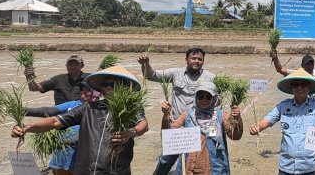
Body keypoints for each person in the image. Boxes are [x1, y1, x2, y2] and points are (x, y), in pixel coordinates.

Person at [11, 66, 149, 175]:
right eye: (105, 84)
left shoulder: (131, 108)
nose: (108, 87)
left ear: (125, 87)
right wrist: (28, 128)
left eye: (113, 84)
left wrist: (131, 132)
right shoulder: (89, 108)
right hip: (85, 170)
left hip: (116, 170)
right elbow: (54, 121)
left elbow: (143, 125)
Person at [249, 69, 315, 175]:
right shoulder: (283, 106)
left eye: (303, 84)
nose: (299, 87)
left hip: (311, 168)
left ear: (309, 87)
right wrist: (257, 127)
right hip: (286, 168)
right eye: (296, 85)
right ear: (291, 88)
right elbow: (266, 121)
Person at [139, 48, 216, 175]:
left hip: (200, 130)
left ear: (203, 61)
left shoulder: (211, 77)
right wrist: (145, 64)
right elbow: (151, 75)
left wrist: (213, 133)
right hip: (177, 129)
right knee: (165, 160)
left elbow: (217, 104)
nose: (196, 61)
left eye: (200, 59)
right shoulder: (176, 73)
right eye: (193, 58)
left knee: (194, 163)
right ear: (186, 59)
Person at [160, 81, 242, 175]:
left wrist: (237, 118)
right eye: (200, 96)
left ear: (214, 98)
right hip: (190, 167)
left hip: (215, 168)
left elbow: (235, 136)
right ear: (196, 97)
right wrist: (166, 116)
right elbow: (168, 136)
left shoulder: (219, 116)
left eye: (208, 96)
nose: (204, 99)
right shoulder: (188, 114)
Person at [23, 80, 101, 175]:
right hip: (62, 151)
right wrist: (23, 110)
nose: (83, 92)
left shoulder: (99, 110)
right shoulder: (73, 104)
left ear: (96, 92)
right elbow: (50, 111)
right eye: (82, 89)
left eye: (87, 90)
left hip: (82, 154)